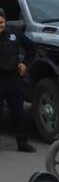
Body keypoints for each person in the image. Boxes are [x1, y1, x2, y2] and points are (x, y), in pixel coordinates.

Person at [0, 12, 33, 152]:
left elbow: (31, 48)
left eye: (1, 23)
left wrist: (25, 63)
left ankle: (22, 143)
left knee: (18, 113)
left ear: (5, 22)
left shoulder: (14, 34)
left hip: (13, 79)